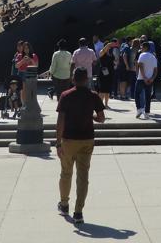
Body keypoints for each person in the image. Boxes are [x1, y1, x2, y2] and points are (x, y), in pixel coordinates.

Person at [55, 68, 106, 227]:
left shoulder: (66, 95)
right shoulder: (93, 96)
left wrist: (57, 142)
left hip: (69, 139)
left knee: (66, 173)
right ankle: (78, 212)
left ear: (73, 79)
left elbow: (60, 121)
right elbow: (102, 119)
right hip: (87, 139)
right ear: (86, 79)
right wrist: (90, 116)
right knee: (83, 176)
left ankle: (64, 204)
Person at [134, 41, 157, 119]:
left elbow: (140, 65)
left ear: (145, 47)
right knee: (148, 96)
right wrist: (152, 79)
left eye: (142, 47)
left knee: (137, 94)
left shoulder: (142, 55)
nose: (141, 49)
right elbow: (155, 70)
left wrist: (144, 77)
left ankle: (139, 109)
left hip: (141, 78)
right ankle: (147, 113)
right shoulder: (153, 57)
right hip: (150, 80)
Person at [97, 40, 116, 108]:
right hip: (103, 72)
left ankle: (106, 104)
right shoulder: (102, 52)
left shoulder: (110, 54)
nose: (110, 48)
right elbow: (104, 51)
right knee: (102, 89)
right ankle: (99, 104)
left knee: (107, 90)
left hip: (110, 73)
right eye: (108, 47)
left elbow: (113, 61)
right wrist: (109, 44)